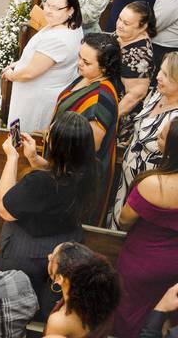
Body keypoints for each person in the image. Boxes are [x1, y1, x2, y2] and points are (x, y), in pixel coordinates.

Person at [0, 112, 97, 318]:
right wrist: (33, 158)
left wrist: (12, 158)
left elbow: (4, 208)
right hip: (66, 246)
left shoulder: (39, 182)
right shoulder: (91, 170)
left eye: (49, 133)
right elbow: (59, 174)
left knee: (14, 306)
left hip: (28, 252)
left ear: (55, 144)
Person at [52, 33, 121, 226]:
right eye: (80, 57)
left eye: (87, 62)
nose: (79, 63)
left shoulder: (100, 98)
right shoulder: (87, 78)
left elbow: (90, 146)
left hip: (75, 177)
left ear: (105, 67)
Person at [3, 0, 84, 133]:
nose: (48, 11)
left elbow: (30, 73)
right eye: (48, 4)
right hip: (34, 92)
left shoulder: (59, 39)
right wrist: (19, 63)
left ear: (70, 10)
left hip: (35, 99)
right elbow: (40, 58)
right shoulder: (68, 25)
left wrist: (11, 75)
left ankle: (16, 147)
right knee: (18, 129)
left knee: (23, 134)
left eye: (56, 8)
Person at [112, 53, 178, 226]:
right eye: (160, 71)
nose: (158, 77)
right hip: (126, 176)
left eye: (166, 75)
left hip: (149, 187)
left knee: (129, 226)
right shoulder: (157, 94)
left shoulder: (176, 120)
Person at [44, 242, 121, 336]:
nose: (49, 256)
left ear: (60, 279)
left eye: (52, 258)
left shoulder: (59, 322)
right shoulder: (101, 300)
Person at [115, 1, 156, 145]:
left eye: (126, 23)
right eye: (120, 19)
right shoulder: (126, 35)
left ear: (142, 27)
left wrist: (109, 119)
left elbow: (135, 95)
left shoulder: (139, 55)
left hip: (120, 116)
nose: (120, 25)